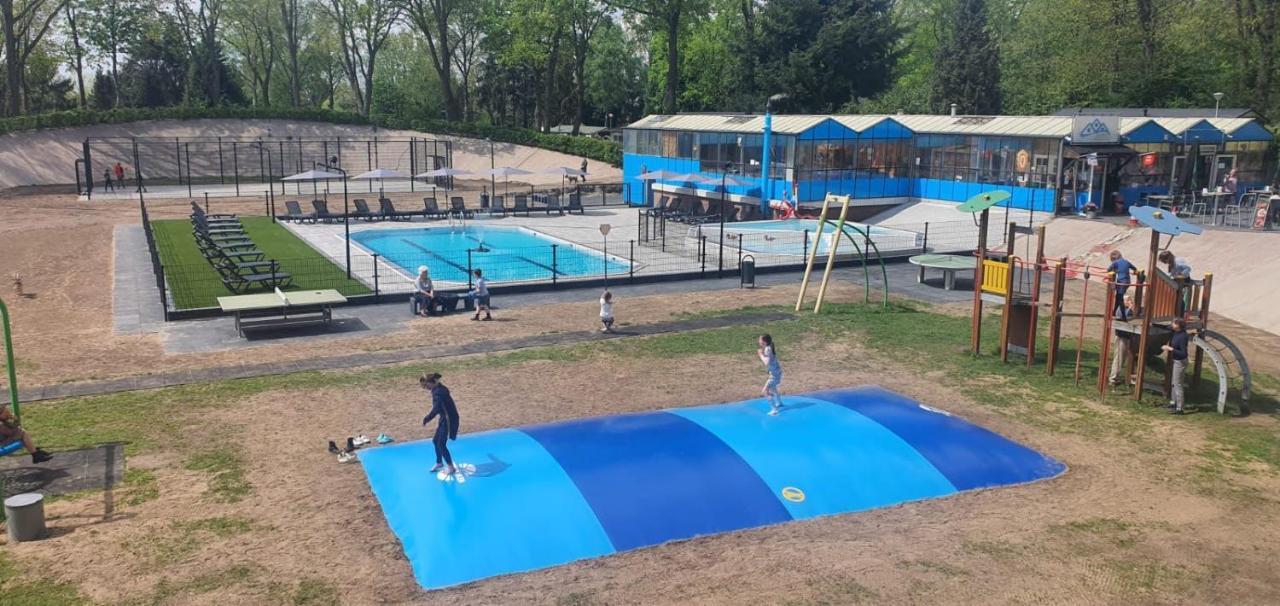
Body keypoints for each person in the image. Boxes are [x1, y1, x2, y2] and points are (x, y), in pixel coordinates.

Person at [420, 372, 460, 475]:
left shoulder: (438, 393)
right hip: (444, 418)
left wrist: (427, 418)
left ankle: (451, 467)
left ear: (431, 383)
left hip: (449, 420)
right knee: (435, 441)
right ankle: (439, 463)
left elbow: (436, 409)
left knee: (441, 444)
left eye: (425, 385)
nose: (425, 388)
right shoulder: (438, 389)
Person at [1161, 318, 1191, 415]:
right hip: (1176, 361)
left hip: (1180, 362)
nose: (1171, 324)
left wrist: (1170, 348)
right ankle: (1173, 402)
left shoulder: (1182, 336)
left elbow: (1183, 353)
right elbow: (1166, 327)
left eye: (1173, 323)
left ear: (1178, 326)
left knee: (1178, 384)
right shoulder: (1176, 332)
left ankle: (1180, 408)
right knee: (1174, 383)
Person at [1109, 294, 1139, 386]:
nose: (1130, 301)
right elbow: (1124, 318)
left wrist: (1131, 309)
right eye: (1128, 300)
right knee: (1119, 357)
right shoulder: (1120, 309)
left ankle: (1126, 377)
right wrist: (1130, 309)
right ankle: (1113, 378)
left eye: (1131, 300)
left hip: (1127, 336)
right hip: (1121, 336)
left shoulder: (1126, 309)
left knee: (1127, 357)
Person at [1157, 250, 1193, 314]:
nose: (1165, 263)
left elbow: (1188, 269)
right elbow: (1171, 273)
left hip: (1183, 280)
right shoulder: (1171, 264)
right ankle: (1175, 312)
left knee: (1178, 296)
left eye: (1164, 261)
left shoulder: (1178, 261)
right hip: (1177, 280)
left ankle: (1180, 313)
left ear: (1168, 258)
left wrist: (1180, 275)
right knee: (1174, 295)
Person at [1106, 250, 1136, 320]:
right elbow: (1134, 268)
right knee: (1118, 296)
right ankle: (1114, 312)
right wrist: (1135, 272)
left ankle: (1124, 317)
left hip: (1121, 282)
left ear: (1113, 259)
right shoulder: (1126, 261)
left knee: (1120, 299)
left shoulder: (1115, 263)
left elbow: (1108, 270)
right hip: (1127, 282)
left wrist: (1115, 271)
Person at [758, 334, 784, 416]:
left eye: (760, 339)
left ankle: (774, 409)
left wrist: (760, 355)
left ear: (764, 342)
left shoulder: (768, 349)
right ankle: (779, 402)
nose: (759, 341)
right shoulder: (770, 346)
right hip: (777, 372)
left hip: (774, 375)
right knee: (773, 387)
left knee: (765, 391)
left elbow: (766, 362)